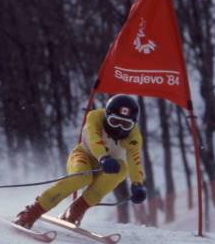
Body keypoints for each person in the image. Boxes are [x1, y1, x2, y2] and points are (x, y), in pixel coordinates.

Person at [13, 94, 147, 229]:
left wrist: (137, 185)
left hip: (108, 166)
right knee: (82, 177)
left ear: (133, 125)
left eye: (126, 124)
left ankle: (76, 210)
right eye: (114, 121)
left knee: (122, 168)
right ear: (106, 116)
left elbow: (135, 161)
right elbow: (95, 140)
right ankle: (32, 212)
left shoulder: (134, 137)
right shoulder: (95, 117)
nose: (119, 128)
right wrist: (103, 157)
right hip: (84, 156)